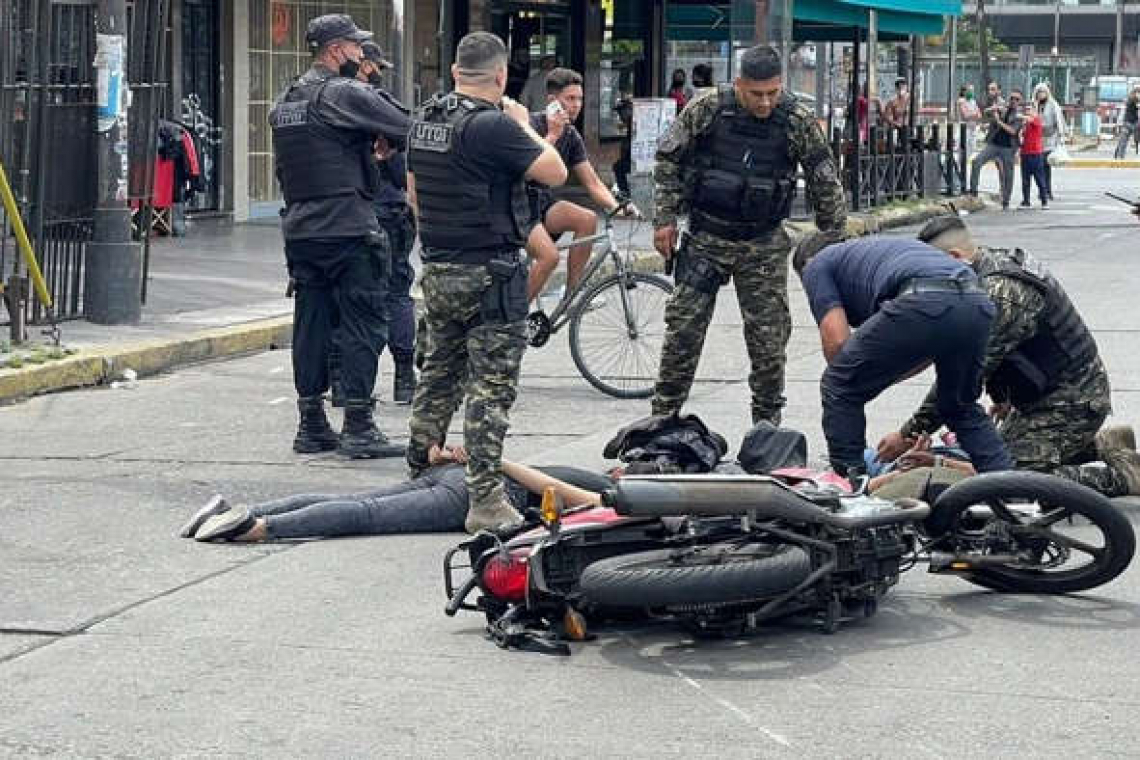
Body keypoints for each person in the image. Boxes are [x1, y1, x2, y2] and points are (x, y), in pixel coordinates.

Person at [405, 32, 568, 533]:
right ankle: (485, 501)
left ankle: (419, 463)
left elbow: (413, 195)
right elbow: (556, 172)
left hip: (438, 267)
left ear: (455, 72)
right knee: (489, 390)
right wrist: (524, 123)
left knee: (439, 372)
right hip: (490, 273)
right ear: (500, 77)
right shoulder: (494, 125)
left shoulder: (425, 121)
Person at [651, 44, 847, 427]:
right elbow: (668, 158)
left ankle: (767, 427)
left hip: (763, 242)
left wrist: (831, 237)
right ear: (739, 84)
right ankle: (661, 421)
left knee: (769, 343)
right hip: (707, 236)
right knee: (683, 333)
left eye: (773, 92)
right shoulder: (708, 108)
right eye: (756, 93)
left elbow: (825, 177)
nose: (765, 102)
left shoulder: (796, 120)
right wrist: (664, 219)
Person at [877, 216, 1140, 498]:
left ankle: (1122, 476)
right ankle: (1103, 444)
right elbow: (1010, 350)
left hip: (1071, 401)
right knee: (994, 457)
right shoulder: (984, 267)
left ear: (955, 257)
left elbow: (961, 378)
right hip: (1042, 396)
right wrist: (1004, 394)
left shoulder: (1001, 294)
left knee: (1011, 483)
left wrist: (908, 434)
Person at [268, 14, 410, 458]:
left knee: (311, 324)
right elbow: (404, 122)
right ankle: (359, 425)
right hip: (349, 227)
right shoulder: (343, 91)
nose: (362, 56)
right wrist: (384, 138)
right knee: (362, 323)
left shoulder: (286, 100)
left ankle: (311, 424)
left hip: (301, 230)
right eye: (356, 49)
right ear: (336, 50)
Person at [793, 231, 1013, 480]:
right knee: (959, 406)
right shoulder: (879, 253)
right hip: (977, 304)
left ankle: (852, 487)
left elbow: (838, 344)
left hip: (923, 299)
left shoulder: (817, 265)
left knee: (838, 385)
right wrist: (877, 375)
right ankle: (1009, 490)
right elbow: (919, 352)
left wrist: (860, 382)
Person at [179, 444, 612, 542]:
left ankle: (237, 512)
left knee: (357, 502)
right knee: (366, 512)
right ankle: (257, 526)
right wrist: (492, 460)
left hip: (457, 477)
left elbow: (557, 486)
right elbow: (553, 489)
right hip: (471, 490)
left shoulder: (605, 483)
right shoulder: (609, 489)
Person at [328, 41, 417, 408]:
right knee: (395, 293)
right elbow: (401, 169)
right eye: (376, 66)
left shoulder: (328, 104)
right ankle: (403, 378)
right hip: (384, 214)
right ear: (365, 66)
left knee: (347, 300)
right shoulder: (380, 107)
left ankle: (341, 384)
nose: (379, 72)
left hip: (349, 216)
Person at [524, 68, 637, 303]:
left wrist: (618, 206)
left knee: (587, 219)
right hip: (518, 206)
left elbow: (592, 182)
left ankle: (572, 293)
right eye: (570, 99)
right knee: (549, 257)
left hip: (543, 203)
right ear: (552, 101)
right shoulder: (531, 125)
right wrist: (553, 136)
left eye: (580, 99)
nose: (576, 105)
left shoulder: (572, 136)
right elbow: (528, 168)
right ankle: (514, 319)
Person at [970, 84, 1021, 211]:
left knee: (1008, 173)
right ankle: (973, 192)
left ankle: (1006, 200)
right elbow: (987, 113)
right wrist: (993, 112)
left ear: (1020, 101)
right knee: (977, 162)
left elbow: (1012, 131)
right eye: (1012, 98)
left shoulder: (1019, 115)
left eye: (1017, 99)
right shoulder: (1003, 108)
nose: (1013, 101)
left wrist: (999, 121)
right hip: (994, 143)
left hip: (1008, 147)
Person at [1032, 82, 1066, 200]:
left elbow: (1059, 121)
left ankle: (1047, 191)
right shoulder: (1035, 104)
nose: (1041, 94)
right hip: (1038, 139)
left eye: (1043, 92)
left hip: (1050, 138)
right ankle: (1043, 190)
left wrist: (1061, 136)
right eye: (1039, 92)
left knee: (1045, 165)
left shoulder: (1053, 104)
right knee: (1039, 166)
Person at [1018, 101, 1049, 209]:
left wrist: (1021, 116)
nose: (1027, 112)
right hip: (1025, 154)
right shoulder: (1025, 124)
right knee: (1025, 180)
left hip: (1035, 154)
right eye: (1026, 109)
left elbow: (1031, 120)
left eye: (1029, 109)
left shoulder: (1036, 120)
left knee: (1039, 179)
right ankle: (1026, 201)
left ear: (1035, 111)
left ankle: (1044, 201)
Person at [1114, 85, 1139, 161]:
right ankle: (1119, 156)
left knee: (1123, 141)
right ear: (1135, 93)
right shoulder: (1132, 100)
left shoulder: (1131, 100)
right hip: (1129, 123)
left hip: (1131, 123)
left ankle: (1119, 156)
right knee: (1123, 141)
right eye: (1138, 92)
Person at [957, 84, 981, 155]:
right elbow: (965, 116)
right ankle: (959, 165)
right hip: (964, 128)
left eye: (973, 91)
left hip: (973, 128)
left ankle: (964, 164)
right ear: (965, 92)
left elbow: (979, 115)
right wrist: (974, 114)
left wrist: (973, 114)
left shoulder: (973, 101)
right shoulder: (961, 100)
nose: (972, 92)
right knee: (962, 149)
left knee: (972, 149)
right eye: (970, 90)